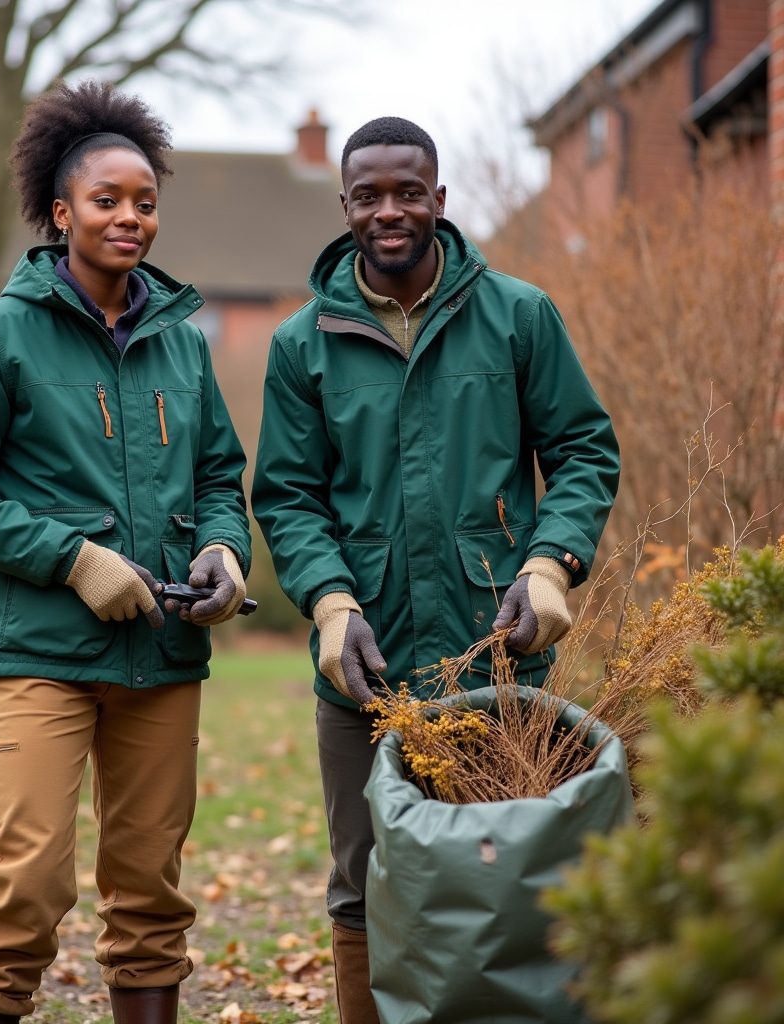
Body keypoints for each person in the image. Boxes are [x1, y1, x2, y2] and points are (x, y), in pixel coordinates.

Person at [251, 116, 619, 1024]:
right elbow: (288, 496)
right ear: (344, 208)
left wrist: (549, 566)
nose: (389, 210)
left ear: (439, 200)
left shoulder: (519, 316)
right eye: (369, 195)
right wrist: (332, 604)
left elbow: (581, 451)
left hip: (497, 660)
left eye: (408, 191)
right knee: (361, 881)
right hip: (362, 672)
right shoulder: (303, 344)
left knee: (507, 879)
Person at [0, 80, 250, 1024]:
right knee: (28, 881)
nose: (130, 218)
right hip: (40, 655)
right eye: (108, 200)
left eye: (145, 202)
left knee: (149, 891)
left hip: (165, 655)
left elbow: (220, 471)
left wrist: (224, 550)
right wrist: (73, 559)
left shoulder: (183, 342)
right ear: (61, 214)